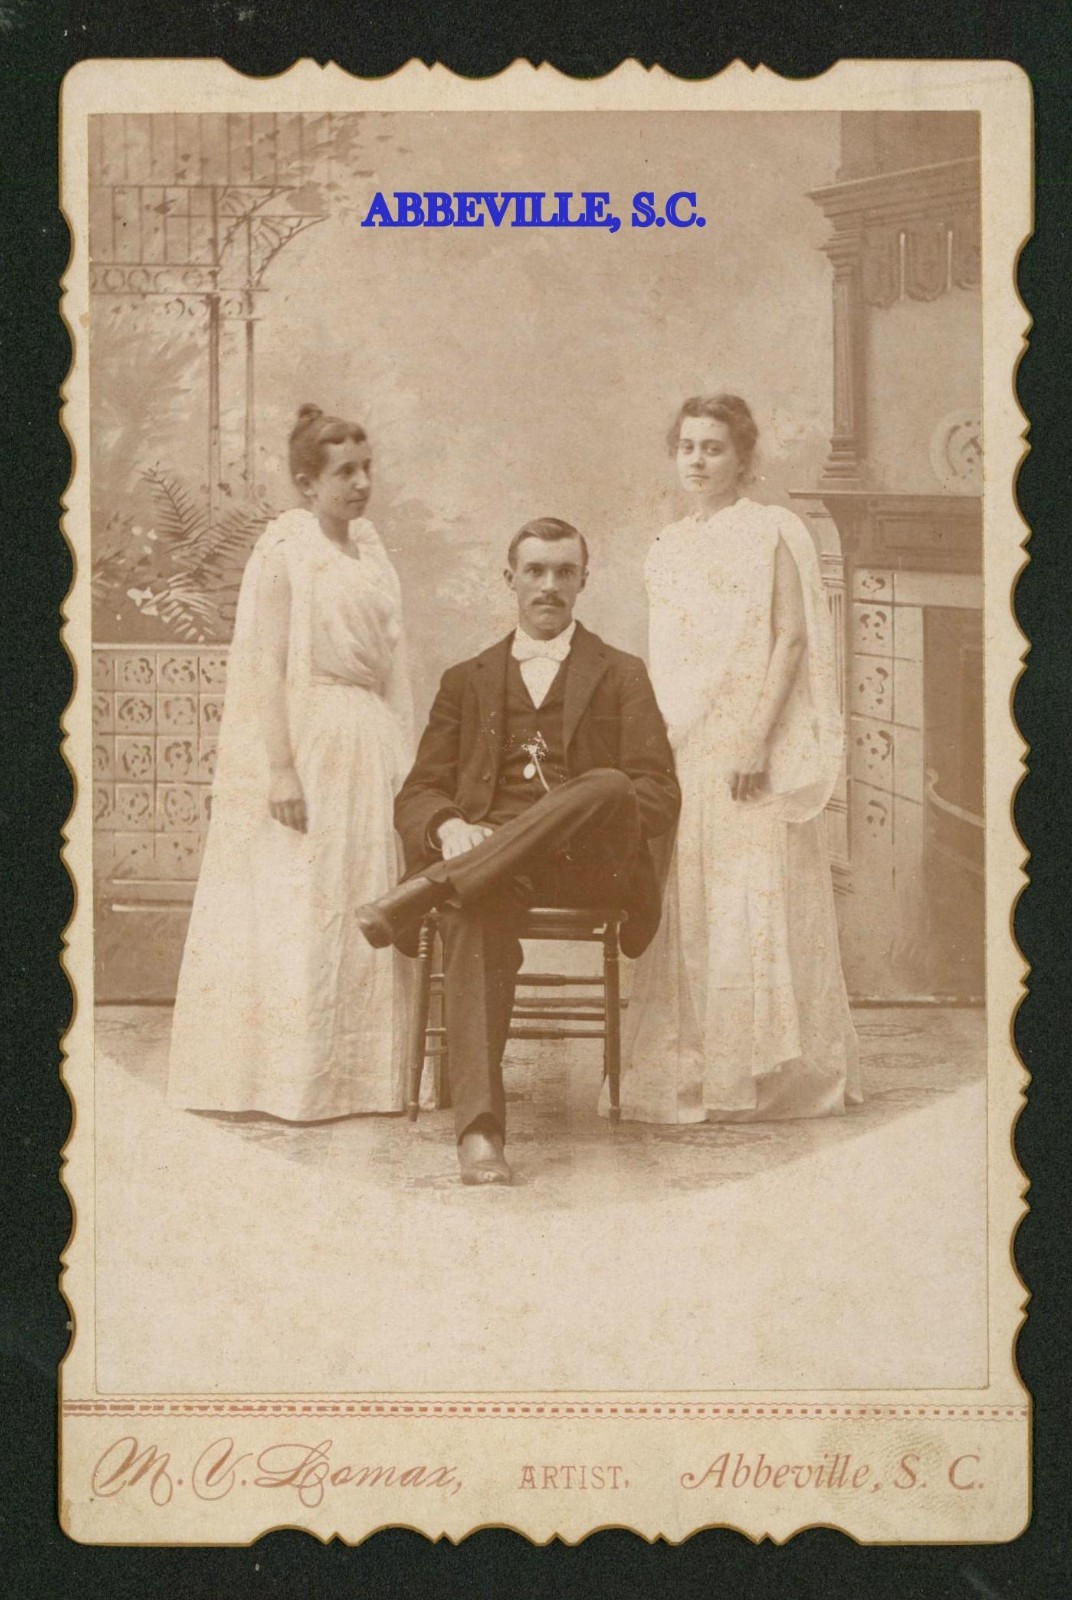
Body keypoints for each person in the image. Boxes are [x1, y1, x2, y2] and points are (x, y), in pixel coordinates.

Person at [355, 518, 681, 1185]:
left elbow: (656, 794)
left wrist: (575, 815)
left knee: (611, 783)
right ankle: (479, 1133)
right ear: (510, 580)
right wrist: (449, 829)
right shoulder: (465, 680)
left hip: (588, 867)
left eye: (565, 572)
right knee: (473, 910)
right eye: (535, 571)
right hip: (487, 872)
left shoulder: (622, 674)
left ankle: (431, 889)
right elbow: (419, 793)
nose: (550, 586)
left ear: (584, 581)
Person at [608, 394, 862, 1124]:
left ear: (744, 459)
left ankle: (765, 1073)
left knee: (755, 894)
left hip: (751, 741)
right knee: (696, 898)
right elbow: (670, 657)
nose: (697, 459)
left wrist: (755, 737)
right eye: (686, 445)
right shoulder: (668, 544)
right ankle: (702, 1067)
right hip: (687, 744)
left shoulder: (772, 530)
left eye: (714, 447)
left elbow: (789, 638)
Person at [167, 404, 414, 1120]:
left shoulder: (370, 550)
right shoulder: (285, 551)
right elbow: (263, 665)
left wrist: (404, 750)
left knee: (362, 892)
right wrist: (279, 768)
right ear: (308, 483)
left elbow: (395, 664)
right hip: (308, 739)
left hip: (369, 740)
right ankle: (292, 1080)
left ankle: (365, 1078)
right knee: (304, 899)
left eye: (367, 469)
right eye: (345, 473)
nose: (362, 484)